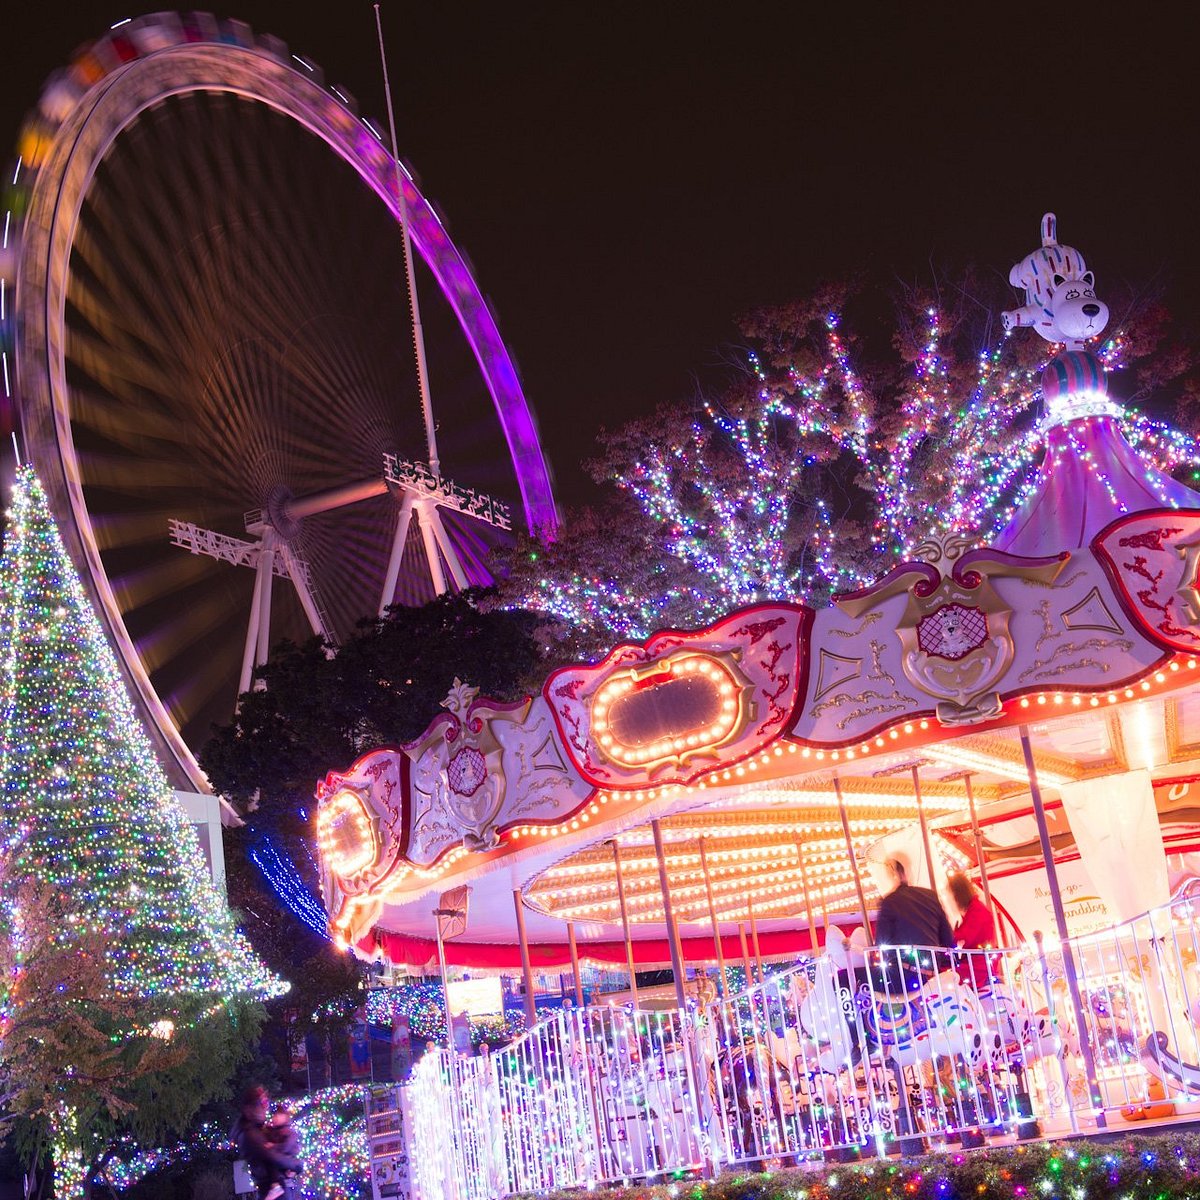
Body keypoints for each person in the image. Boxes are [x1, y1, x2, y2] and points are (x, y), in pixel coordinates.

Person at [873, 857, 955, 993]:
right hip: (932, 973)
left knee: (875, 988)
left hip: (906, 973)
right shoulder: (930, 895)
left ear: (891, 876)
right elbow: (948, 938)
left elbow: (882, 943)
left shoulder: (890, 901)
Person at [231, 1086, 301, 1200]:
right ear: (249, 1110)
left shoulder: (259, 1129)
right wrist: (297, 1165)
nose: (266, 1106)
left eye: (266, 1101)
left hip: (275, 1188)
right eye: (262, 1102)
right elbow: (272, 1156)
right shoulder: (251, 1134)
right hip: (272, 1190)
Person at [947, 871, 998, 989]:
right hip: (977, 961)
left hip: (979, 964)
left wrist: (949, 936)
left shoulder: (976, 910)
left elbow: (965, 937)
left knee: (948, 978)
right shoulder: (974, 909)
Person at [263, 1106, 303, 1200]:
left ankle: (276, 1186)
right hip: (279, 1173)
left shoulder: (290, 1133)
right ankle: (275, 1185)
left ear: (285, 1117)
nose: (275, 1118)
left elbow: (286, 1147)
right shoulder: (272, 1131)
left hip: (285, 1170)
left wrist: (273, 1146)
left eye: (278, 1116)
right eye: (274, 1116)